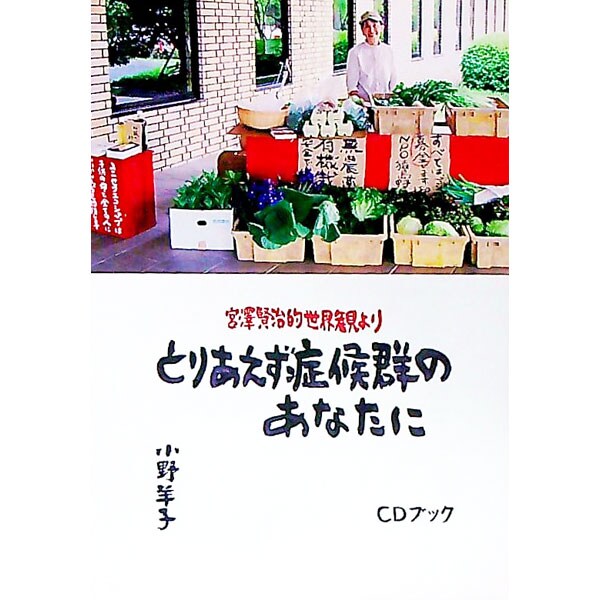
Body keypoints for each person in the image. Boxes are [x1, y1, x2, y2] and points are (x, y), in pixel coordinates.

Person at [346, 11, 398, 103]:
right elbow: (352, 86)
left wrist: (391, 97)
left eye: (375, 26)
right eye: (367, 26)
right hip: (364, 104)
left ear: (381, 27)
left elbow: (393, 79)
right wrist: (359, 102)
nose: (371, 30)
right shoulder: (355, 52)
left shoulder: (388, 51)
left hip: (386, 103)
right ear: (362, 30)